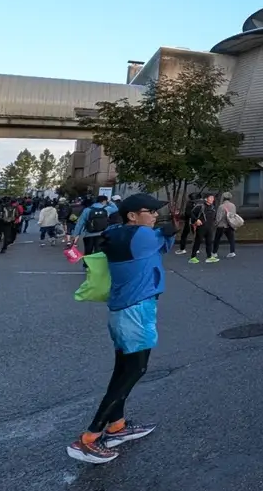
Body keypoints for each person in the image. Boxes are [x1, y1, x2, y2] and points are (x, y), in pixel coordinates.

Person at [65, 193, 173, 464]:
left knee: (123, 369)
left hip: (122, 311)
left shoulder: (118, 233)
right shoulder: (144, 237)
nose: (155, 215)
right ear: (133, 216)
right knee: (135, 369)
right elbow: (167, 237)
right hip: (137, 311)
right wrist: (172, 228)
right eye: (150, 211)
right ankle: (88, 438)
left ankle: (117, 426)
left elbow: (163, 238)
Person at [186, 193, 218, 264]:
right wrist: (196, 220)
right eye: (211, 198)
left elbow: (214, 216)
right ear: (206, 199)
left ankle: (209, 257)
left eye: (213, 198)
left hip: (209, 227)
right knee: (198, 241)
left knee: (209, 242)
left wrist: (215, 222)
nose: (212, 199)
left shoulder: (213, 207)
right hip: (201, 227)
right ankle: (193, 257)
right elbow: (191, 213)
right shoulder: (200, 206)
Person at [213, 192, 239, 259]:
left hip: (222, 225)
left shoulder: (221, 206)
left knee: (217, 239)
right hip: (230, 225)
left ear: (223, 198)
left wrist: (215, 224)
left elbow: (218, 217)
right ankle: (232, 252)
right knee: (231, 239)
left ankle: (214, 253)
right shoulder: (233, 206)